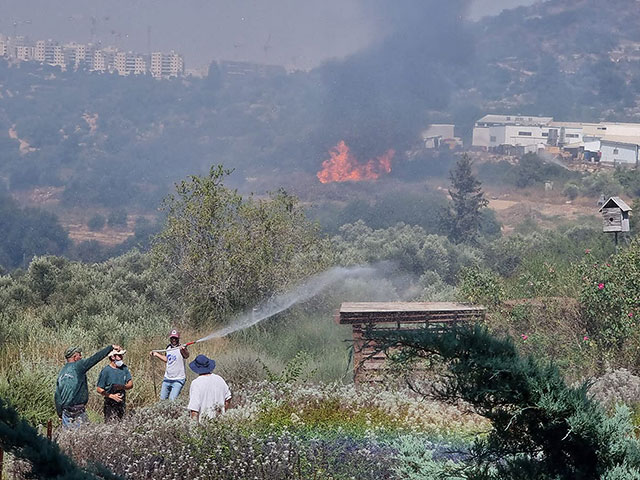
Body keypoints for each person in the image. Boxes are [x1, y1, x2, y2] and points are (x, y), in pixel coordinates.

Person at [55, 344, 122, 428]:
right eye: (79, 355)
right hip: (78, 411)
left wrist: (60, 413)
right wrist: (110, 348)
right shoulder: (79, 366)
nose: (81, 357)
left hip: (66, 413)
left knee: (68, 438)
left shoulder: (62, 372)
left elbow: (57, 395)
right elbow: (95, 358)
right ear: (75, 357)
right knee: (83, 437)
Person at [187, 354, 231, 422]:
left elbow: (194, 409)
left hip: (204, 426)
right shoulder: (219, 379)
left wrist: (193, 428)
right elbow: (228, 398)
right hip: (221, 424)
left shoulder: (196, 383)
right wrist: (222, 412)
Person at [150, 329, 190, 400]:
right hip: (167, 379)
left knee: (172, 400)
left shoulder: (181, 348)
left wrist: (183, 350)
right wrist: (156, 354)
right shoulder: (168, 348)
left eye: (175, 338)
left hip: (178, 379)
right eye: (172, 338)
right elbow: (167, 360)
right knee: (162, 400)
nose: (174, 340)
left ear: (178, 339)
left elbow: (186, 355)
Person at [96, 348, 133, 422]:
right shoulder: (106, 371)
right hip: (109, 404)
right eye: (119, 355)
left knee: (121, 423)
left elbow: (131, 384)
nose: (121, 358)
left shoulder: (124, 368)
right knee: (110, 424)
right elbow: (99, 389)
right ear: (112, 357)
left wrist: (122, 387)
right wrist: (111, 396)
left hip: (121, 402)